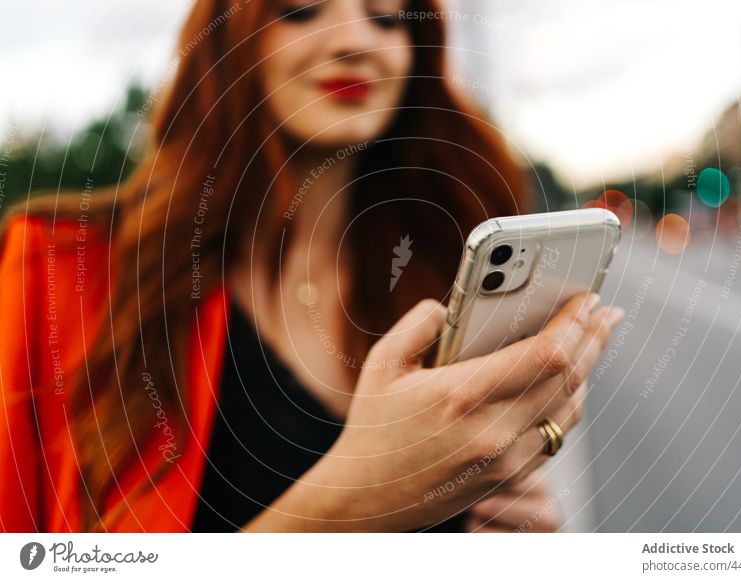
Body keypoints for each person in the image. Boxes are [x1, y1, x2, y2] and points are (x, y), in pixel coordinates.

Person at [0, 0, 624, 533]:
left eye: (385, 18)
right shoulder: (58, 272)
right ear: (228, 36)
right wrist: (351, 504)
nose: (355, 40)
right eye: (302, 7)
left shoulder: (439, 271)